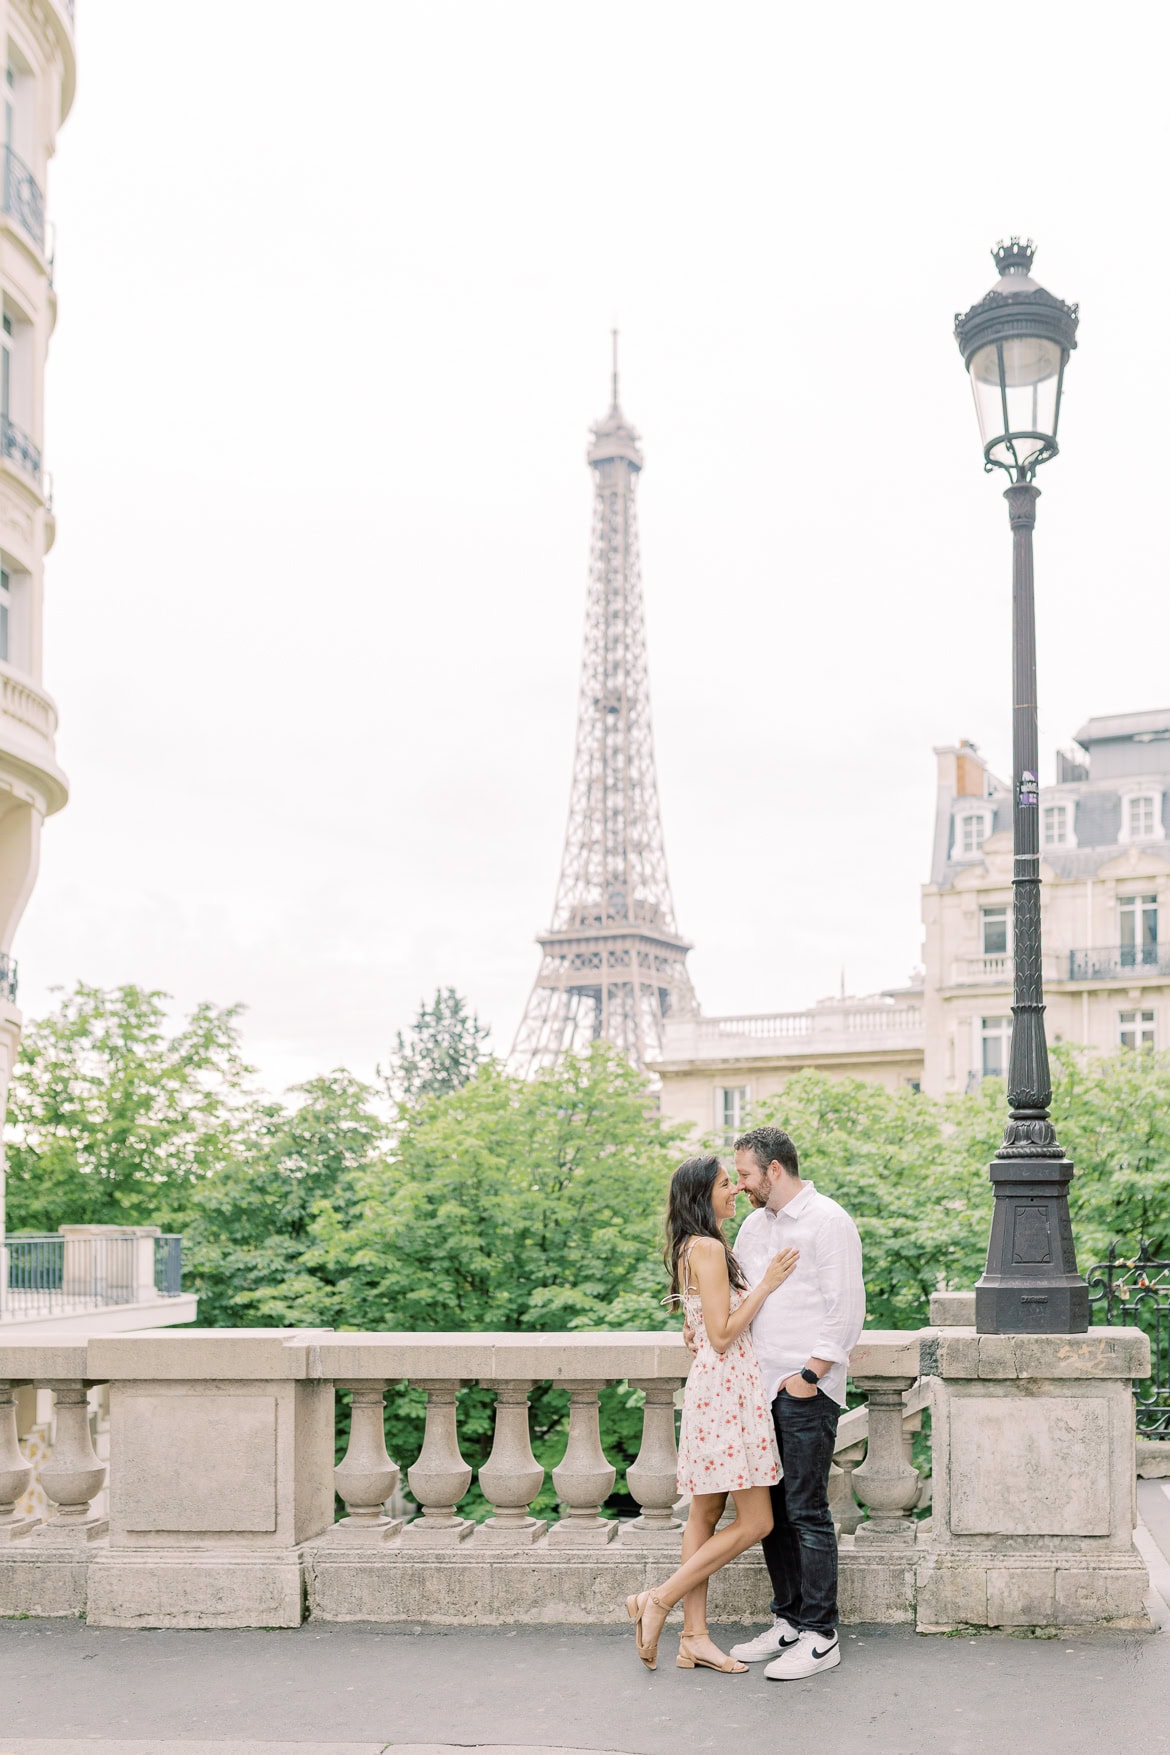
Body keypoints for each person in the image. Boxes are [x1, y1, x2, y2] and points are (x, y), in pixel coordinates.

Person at [626, 1153, 799, 1674]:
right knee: (758, 1521)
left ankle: (694, 1637)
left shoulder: (692, 1247)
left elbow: (700, 1327)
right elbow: (723, 1336)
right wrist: (767, 1284)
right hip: (728, 1390)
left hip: (716, 1388)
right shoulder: (707, 1247)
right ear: (703, 1196)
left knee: (703, 1514)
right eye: (727, 1184)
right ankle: (659, 1598)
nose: (735, 1190)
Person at [725, 1123, 866, 1681]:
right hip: (755, 1389)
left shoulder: (829, 1221)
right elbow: (739, 1295)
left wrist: (809, 1375)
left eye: (745, 1176)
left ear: (774, 1170)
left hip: (804, 1391)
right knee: (772, 1513)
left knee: (807, 1509)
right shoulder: (755, 1228)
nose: (740, 1187)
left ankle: (820, 1633)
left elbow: (846, 1308)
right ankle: (788, 1621)